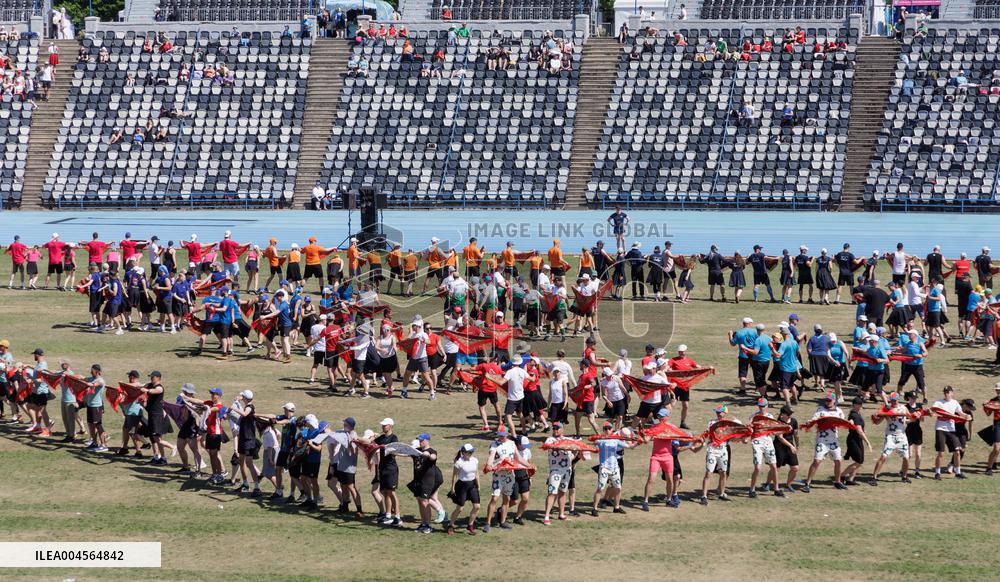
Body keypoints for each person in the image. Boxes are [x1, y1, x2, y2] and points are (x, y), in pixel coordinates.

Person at [802, 393, 849, 492]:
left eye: (829, 400)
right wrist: (809, 422)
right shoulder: (820, 409)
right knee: (817, 461)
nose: (827, 402)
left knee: (838, 461)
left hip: (834, 440)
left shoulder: (839, 411)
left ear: (834, 401)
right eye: (826, 400)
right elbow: (814, 419)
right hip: (822, 440)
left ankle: (837, 482)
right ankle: (807, 483)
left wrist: (850, 423)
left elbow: (843, 422)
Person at [642, 409, 682, 511]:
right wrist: (643, 436)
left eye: (662, 416)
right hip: (656, 457)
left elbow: (680, 437)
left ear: (667, 417)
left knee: (670, 480)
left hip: (668, 457)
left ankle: (669, 500)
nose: (660, 418)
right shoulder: (654, 427)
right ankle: (645, 501)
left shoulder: (672, 428)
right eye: (659, 416)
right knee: (651, 479)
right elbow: (646, 440)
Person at [696, 405, 736, 505]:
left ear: (725, 413)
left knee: (723, 473)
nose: (718, 414)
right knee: (708, 473)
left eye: (720, 412)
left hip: (723, 450)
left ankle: (722, 493)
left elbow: (733, 437)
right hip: (712, 450)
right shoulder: (712, 422)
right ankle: (704, 496)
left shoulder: (729, 424)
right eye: (717, 412)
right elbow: (707, 434)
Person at [870, 392, 913, 485]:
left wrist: (915, 418)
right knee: (883, 456)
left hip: (901, 436)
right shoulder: (886, 409)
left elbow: (909, 419)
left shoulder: (903, 408)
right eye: (892, 400)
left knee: (906, 457)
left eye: (894, 400)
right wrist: (875, 418)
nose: (893, 402)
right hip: (890, 436)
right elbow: (878, 422)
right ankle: (874, 477)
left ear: (898, 400)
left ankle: (904, 477)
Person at [591, 422, 633, 516]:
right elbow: (594, 442)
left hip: (615, 468)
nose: (607, 430)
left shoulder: (616, 440)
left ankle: (616, 507)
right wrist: (595, 439)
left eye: (609, 428)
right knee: (600, 488)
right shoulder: (601, 440)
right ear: (603, 430)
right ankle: (595, 508)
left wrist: (638, 442)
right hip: (604, 468)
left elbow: (629, 446)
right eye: (605, 429)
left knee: (618, 488)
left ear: (611, 430)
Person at [482, 427, 517, 532]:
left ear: (507, 435)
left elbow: (517, 457)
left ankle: (502, 521)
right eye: (499, 435)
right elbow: (491, 455)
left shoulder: (512, 443)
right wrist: (489, 464)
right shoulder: (494, 444)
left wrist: (529, 465)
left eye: (502, 435)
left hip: (510, 475)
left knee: (507, 499)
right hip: (498, 475)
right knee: (495, 498)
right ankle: (487, 523)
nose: (500, 437)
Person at [748, 398, 784, 498]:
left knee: (773, 466)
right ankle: (752, 490)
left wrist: (784, 430)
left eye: (763, 406)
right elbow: (750, 430)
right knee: (757, 467)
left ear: (767, 406)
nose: (762, 408)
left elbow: (773, 431)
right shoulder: (753, 417)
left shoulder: (770, 416)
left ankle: (776, 489)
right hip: (757, 443)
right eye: (760, 406)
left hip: (768, 443)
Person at [932, 386, 970, 480]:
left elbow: (961, 413)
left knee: (957, 452)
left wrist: (967, 416)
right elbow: (932, 413)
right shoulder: (938, 402)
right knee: (941, 453)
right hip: (940, 429)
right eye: (945, 392)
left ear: (952, 393)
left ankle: (958, 472)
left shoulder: (955, 402)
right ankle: (937, 473)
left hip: (951, 430)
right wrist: (938, 414)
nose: (946, 394)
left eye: (948, 392)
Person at [447, 443, 480, 535]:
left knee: (477, 506)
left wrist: (478, 485)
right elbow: (454, 476)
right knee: (460, 508)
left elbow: (476, 473)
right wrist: (452, 488)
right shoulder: (459, 462)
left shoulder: (475, 460)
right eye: (469, 452)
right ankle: (450, 525)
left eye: (472, 452)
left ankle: (470, 525)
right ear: (463, 452)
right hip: (462, 486)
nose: (471, 454)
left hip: (472, 485)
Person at [373, 418, 401, 526]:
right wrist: (359, 439)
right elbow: (371, 443)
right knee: (385, 492)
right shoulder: (380, 438)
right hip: (382, 468)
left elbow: (394, 450)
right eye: (382, 425)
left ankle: (397, 517)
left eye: (385, 425)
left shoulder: (394, 438)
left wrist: (383, 447)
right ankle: (388, 515)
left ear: (390, 426)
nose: (383, 427)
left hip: (391, 469)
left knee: (392, 492)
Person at [841, 397, 873, 485]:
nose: (860, 406)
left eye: (861, 404)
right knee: (859, 461)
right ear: (854, 404)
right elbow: (859, 431)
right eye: (858, 404)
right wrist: (868, 442)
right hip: (854, 440)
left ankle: (850, 479)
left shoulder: (856, 414)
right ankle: (842, 476)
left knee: (860, 460)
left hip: (857, 439)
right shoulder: (855, 415)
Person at [773, 405, 799, 490]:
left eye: (790, 413)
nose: (790, 415)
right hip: (779, 446)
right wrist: (791, 446)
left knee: (795, 468)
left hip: (790, 446)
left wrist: (797, 445)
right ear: (782, 414)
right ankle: (767, 484)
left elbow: (796, 434)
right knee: (776, 467)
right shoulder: (778, 422)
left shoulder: (794, 421)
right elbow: (780, 437)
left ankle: (788, 485)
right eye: (788, 414)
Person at [729, 316, 757, 394]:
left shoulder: (739, 333)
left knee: (742, 373)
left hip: (743, 355)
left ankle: (743, 389)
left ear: (743, 324)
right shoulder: (755, 332)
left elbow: (732, 343)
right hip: (753, 354)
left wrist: (730, 335)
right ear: (749, 323)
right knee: (756, 372)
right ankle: (758, 388)